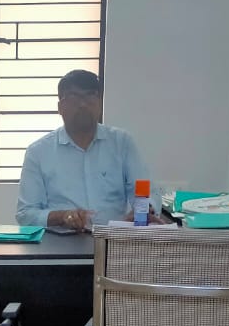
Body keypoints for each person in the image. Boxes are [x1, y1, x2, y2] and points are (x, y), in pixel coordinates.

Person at [15, 69, 156, 231]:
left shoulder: (122, 143)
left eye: (90, 95)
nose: (83, 104)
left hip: (113, 238)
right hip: (61, 242)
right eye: (73, 97)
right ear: (60, 107)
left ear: (99, 103)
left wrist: (142, 211)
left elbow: (145, 190)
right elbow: (25, 214)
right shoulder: (38, 152)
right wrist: (62, 216)